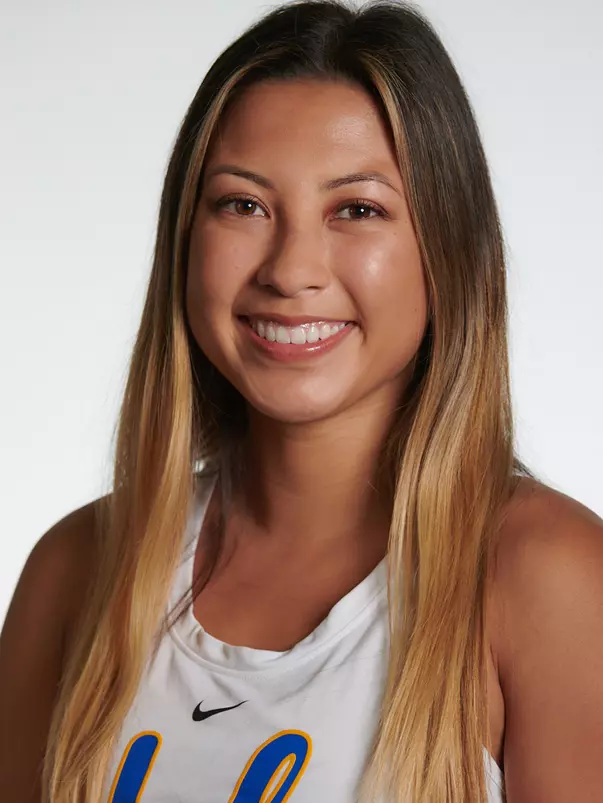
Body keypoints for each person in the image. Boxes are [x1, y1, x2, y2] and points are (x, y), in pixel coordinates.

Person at [1, 1, 602, 801]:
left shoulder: (548, 579)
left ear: (446, 249)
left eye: (356, 209)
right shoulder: (74, 568)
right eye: (242, 204)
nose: (291, 269)